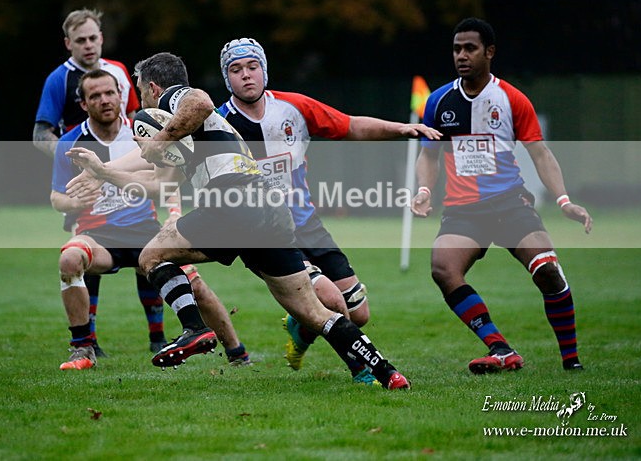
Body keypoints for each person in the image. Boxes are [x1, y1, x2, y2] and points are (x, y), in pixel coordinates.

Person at [68, 52, 411, 390]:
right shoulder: (190, 131)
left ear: (154, 87)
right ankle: (388, 373)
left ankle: (195, 328)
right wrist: (104, 172)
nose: (140, 100)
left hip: (232, 202)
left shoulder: (175, 97)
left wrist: (156, 139)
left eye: (140, 91)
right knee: (313, 313)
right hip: (268, 213)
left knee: (150, 257)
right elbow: (160, 185)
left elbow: (199, 103)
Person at [216, 38, 441, 383]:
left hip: (308, 226)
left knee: (358, 312)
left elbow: (350, 125)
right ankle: (361, 371)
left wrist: (401, 129)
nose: (246, 76)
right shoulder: (219, 126)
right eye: (236, 70)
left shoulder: (294, 107)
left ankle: (300, 328)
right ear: (226, 77)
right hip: (265, 237)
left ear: (264, 70)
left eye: (252, 67)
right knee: (333, 302)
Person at [411, 17, 592, 374]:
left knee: (547, 271)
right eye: (456, 49)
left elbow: (541, 154)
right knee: (443, 268)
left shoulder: (511, 99)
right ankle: (500, 349)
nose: (461, 56)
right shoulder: (438, 102)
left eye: (470, 48)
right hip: (464, 210)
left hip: (510, 203)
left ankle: (571, 360)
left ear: (489, 52)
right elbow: (428, 156)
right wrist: (423, 190)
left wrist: (564, 201)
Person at [54, 69, 249, 369]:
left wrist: (173, 214)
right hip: (99, 234)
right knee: (70, 259)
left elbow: (166, 179)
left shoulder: (146, 129)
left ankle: (236, 353)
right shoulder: (71, 142)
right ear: (84, 104)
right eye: (95, 95)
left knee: (194, 283)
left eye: (110, 93)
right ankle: (82, 349)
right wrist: (73, 201)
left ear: (121, 96)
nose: (105, 100)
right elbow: (57, 197)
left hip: (145, 229)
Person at [32, 8, 166, 355]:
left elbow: (138, 118)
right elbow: (40, 133)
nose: (88, 45)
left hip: (124, 172)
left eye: (93, 38)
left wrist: (134, 156)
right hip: (84, 179)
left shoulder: (119, 71)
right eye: (81, 40)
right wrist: (75, 166)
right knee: (86, 253)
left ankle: (158, 336)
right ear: (68, 44)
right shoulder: (57, 80)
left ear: (102, 39)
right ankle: (88, 340)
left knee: (147, 254)